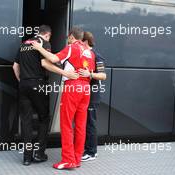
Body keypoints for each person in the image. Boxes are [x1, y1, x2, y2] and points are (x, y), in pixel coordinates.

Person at [12, 25, 78, 166]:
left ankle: (27, 157)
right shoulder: (44, 43)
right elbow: (46, 64)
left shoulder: (24, 44)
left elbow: (15, 66)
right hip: (39, 84)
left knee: (26, 121)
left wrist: (22, 81)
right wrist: (66, 73)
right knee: (44, 118)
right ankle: (39, 153)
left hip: (23, 85)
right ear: (47, 35)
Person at [32, 27, 96, 170]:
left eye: (68, 37)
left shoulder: (71, 47)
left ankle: (68, 160)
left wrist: (39, 48)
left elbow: (53, 58)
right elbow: (89, 72)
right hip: (86, 88)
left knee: (66, 124)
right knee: (80, 125)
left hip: (73, 86)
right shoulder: (89, 52)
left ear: (71, 37)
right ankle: (77, 158)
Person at [78, 32, 106, 162]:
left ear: (85, 42)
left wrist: (89, 74)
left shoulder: (96, 55)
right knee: (83, 123)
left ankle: (92, 152)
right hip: (83, 93)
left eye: (80, 42)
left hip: (93, 94)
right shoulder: (84, 55)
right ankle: (85, 149)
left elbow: (103, 76)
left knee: (90, 123)